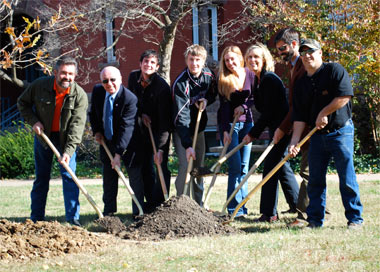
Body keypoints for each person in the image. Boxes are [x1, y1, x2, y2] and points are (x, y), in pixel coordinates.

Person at [289, 39, 364, 229]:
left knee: (346, 178)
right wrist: (294, 142)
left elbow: (344, 97)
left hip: (340, 132)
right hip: (317, 137)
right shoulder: (301, 84)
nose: (307, 56)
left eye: (310, 52)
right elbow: (299, 118)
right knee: (314, 180)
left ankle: (355, 219)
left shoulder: (334, 71)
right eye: (303, 53)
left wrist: (324, 113)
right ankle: (314, 220)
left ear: (320, 53)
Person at [17, 56, 88, 226]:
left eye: (71, 74)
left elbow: (76, 128)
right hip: (44, 138)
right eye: (63, 73)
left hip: (66, 140)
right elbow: (22, 103)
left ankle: (72, 219)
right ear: (55, 72)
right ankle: (36, 218)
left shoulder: (79, 95)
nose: (67, 77)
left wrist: (68, 153)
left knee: (69, 177)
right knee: (41, 178)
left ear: (75, 75)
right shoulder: (39, 86)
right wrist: (34, 121)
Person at [242, 43, 299, 222]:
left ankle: (269, 214)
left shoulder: (269, 80)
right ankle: (298, 204)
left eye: (256, 57)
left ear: (264, 59)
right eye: (250, 57)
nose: (252, 60)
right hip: (277, 128)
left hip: (282, 129)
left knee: (270, 170)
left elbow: (270, 112)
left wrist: (252, 134)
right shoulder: (259, 81)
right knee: (280, 168)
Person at [89, 66, 141, 218]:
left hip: (129, 142)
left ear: (120, 80)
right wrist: (97, 131)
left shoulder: (129, 98)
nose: (109, 84)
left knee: (134, 177)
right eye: (105, 81)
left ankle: (138, 213)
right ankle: (109, 212)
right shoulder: (98, 91)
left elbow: (127, 128)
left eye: (113, 80)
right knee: (109, 177)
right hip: (107, 140)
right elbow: (93, 114)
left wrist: (118, 154)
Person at [172, 44, 217, 205]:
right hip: (181, 130)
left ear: (203, 61)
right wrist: (187, 145)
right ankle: (181, 203)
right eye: (191, 59)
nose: (194, 63)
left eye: (198, 60)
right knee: (185, 166)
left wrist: (206, 100)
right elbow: (181, 116)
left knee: (198, 167)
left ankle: (198, 206)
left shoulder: (209, 75)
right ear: (186, 60)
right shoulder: (180, 83)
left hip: (199, 129)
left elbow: (213, 93)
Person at [128, 49, 172, 211]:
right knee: (145, 167)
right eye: (146, 61)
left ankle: (161, 204)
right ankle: (148, 204)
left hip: (160, 131)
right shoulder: (133, 78)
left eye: (152, 62)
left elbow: (165, 121)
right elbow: (132, 102)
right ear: (140, 64)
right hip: (140, 132)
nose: (148, 65)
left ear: (157, 66)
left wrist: (160, 149)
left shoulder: (162, 87)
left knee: (160, 164)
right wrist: (141, 114)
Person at [217, 45, 255, 217]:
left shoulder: (251, 74)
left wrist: (244, 106)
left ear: (240, 57)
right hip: (231, 128)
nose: (230, 63)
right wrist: (224, 130)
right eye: (226, 60)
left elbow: (255, 98)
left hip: (247, 125)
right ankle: (233, 208)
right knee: (234, 167)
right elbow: (223, 108)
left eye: (232, 59)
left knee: (244, 167)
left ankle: (242, 208)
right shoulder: (223, 78)